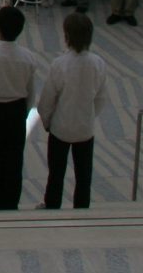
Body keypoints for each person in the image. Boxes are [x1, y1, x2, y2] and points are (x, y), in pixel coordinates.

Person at [0, 6, 43, 211]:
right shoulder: (28, 57)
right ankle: (11, 201)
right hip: (16, 112)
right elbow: (31, 92)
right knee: (13, 160)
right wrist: (25, 112)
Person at [38, 12, 107, 210]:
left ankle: (52, 206)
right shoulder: (98, 63)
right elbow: (101, 98)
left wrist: (47, 120)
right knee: (84, 176)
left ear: (66, 36)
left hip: (60, 128)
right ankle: (81, 209)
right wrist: (90, 115)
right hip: (85, 129)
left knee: (56, 174)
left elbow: (47, 99)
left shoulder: (60, 64)